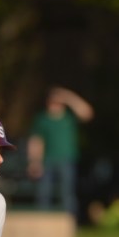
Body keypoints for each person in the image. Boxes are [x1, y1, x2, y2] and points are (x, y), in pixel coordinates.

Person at [27, 86, 94, 216]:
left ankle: (69, 222)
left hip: (66, 160)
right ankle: (43, 221)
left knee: (67, 193)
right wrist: (34, 162)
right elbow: (36, 141)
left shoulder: (69, 118)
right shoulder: (42, 119)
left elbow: (87, 113)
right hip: (47, 161)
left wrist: (68, 96)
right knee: (44, 194)